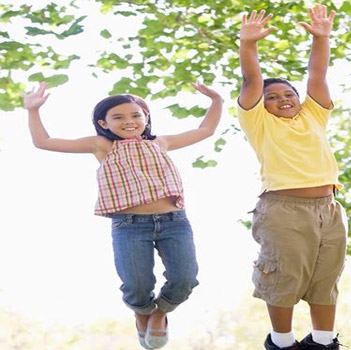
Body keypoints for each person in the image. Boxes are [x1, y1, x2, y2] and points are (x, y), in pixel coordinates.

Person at [22, 81, 222, 349]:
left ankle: (159, 314)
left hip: (175, 222)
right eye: (118, 117)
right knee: (136, 285)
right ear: (103, 123)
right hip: (129, 226)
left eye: (136, 115)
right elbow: (43, 142)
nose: (129, 121)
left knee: (185, 278)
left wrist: (217, 101)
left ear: (146, 118)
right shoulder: (102, 145)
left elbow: (205, 129)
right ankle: (142, 312)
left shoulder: (160, 142)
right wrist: (33, 111)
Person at [237, 5, 346, 350]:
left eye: (288, 94)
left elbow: (318, 74)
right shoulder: (260, 123)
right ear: (261, 105)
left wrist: (321, 37)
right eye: (272, 97)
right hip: (284, 207)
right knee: (283, 274)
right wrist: (248, 45)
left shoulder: (314, 115)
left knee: (325, 277)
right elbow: (252, 80)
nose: (282, 99)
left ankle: (324, 342)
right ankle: (282, 344)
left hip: (328, 208)